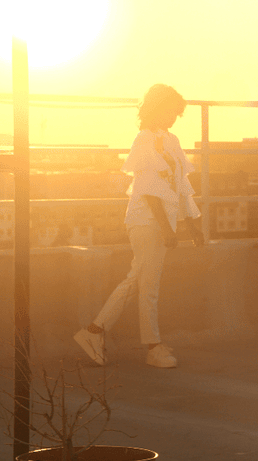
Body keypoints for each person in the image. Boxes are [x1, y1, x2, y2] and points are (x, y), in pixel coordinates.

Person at [73, 84, 204, 369]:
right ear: (157, 107)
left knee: (139, 281)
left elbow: (182, 185)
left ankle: (94, 333)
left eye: (177, 113)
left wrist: (193, 222)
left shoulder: (171, 140)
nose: (174, 117)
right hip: (145, 222)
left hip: (162, 224)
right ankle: (152, 347)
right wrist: (168, 230)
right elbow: (147, 188)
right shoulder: (143, 139)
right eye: (171, 111)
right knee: (148, 286)